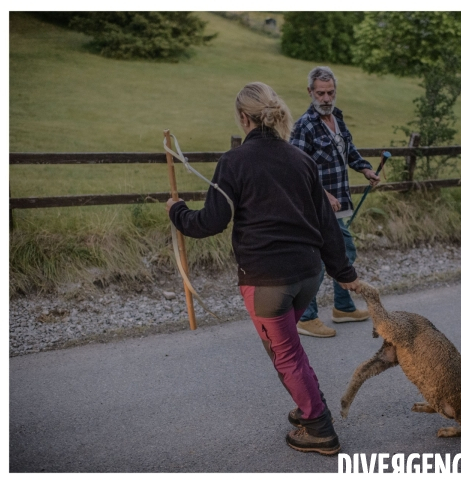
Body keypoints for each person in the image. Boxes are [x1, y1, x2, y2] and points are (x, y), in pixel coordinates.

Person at [166, 82, 359, 456]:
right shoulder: (301, 160)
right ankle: (310, 408)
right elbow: (326, 223)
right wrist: (343, 271)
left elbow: (210, 222)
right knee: (290, 352)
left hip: (267, 283)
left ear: (243, 117)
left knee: (285, 356)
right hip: (308, 275)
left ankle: (318, 427)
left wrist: (177, 212)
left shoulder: (234, 161)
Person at [290, 66, 380, 338]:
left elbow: (349, 150)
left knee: (345, 254)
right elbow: (296, 168)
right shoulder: (304, 125)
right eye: (320, 93)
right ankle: (305, 317)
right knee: (323, 259)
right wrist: (321, 193)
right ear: (310, 92)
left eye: (330, 92)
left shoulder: (337, 118)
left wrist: (364, 168)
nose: (326, 98)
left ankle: (342, 307)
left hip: (340, 203)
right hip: (317, 207)